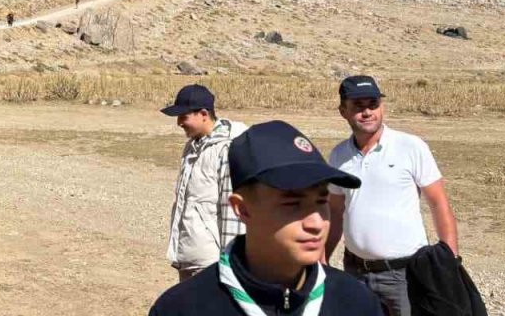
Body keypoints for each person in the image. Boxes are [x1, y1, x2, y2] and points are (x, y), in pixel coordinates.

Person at [148, 121, 383, 315]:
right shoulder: (181, 308)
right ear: (242, 209)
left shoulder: (357, 303)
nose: (316, 223)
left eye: (321, 201)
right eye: (292, 203)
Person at [325, 76, 460, 316]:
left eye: (373, 104)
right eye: (358, 105)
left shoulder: (411, 147)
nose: (367, 112)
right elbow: (335, 212)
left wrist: (450, 262)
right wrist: (322, 258)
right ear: (343, 111)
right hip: (354, 271)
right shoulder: (338, 156)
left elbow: (439, 204)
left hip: (405, 275)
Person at [162, 85, 248, 282]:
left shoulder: (226, 150)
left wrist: (230, 266)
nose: (178, 123)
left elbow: (231, 213)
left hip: (210, 263)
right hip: (188, 256)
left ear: (203, 114)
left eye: (183, 116)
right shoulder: (192, 146)